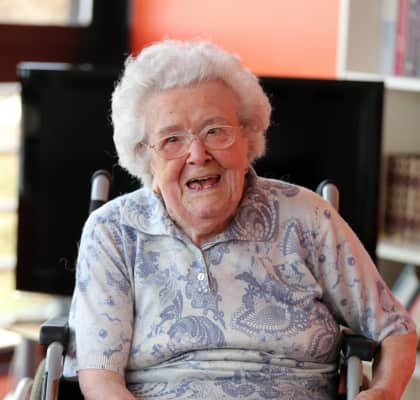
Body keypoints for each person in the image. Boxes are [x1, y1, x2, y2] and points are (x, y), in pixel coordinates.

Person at [64, 39, 417, 400]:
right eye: (172, 139)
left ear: (247, 137)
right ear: (145, 156)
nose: (197, 154)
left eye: (215, 131)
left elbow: (395, 328)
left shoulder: (307, 217)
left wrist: (384, 391)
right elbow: (101, 379)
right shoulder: (114, 232)